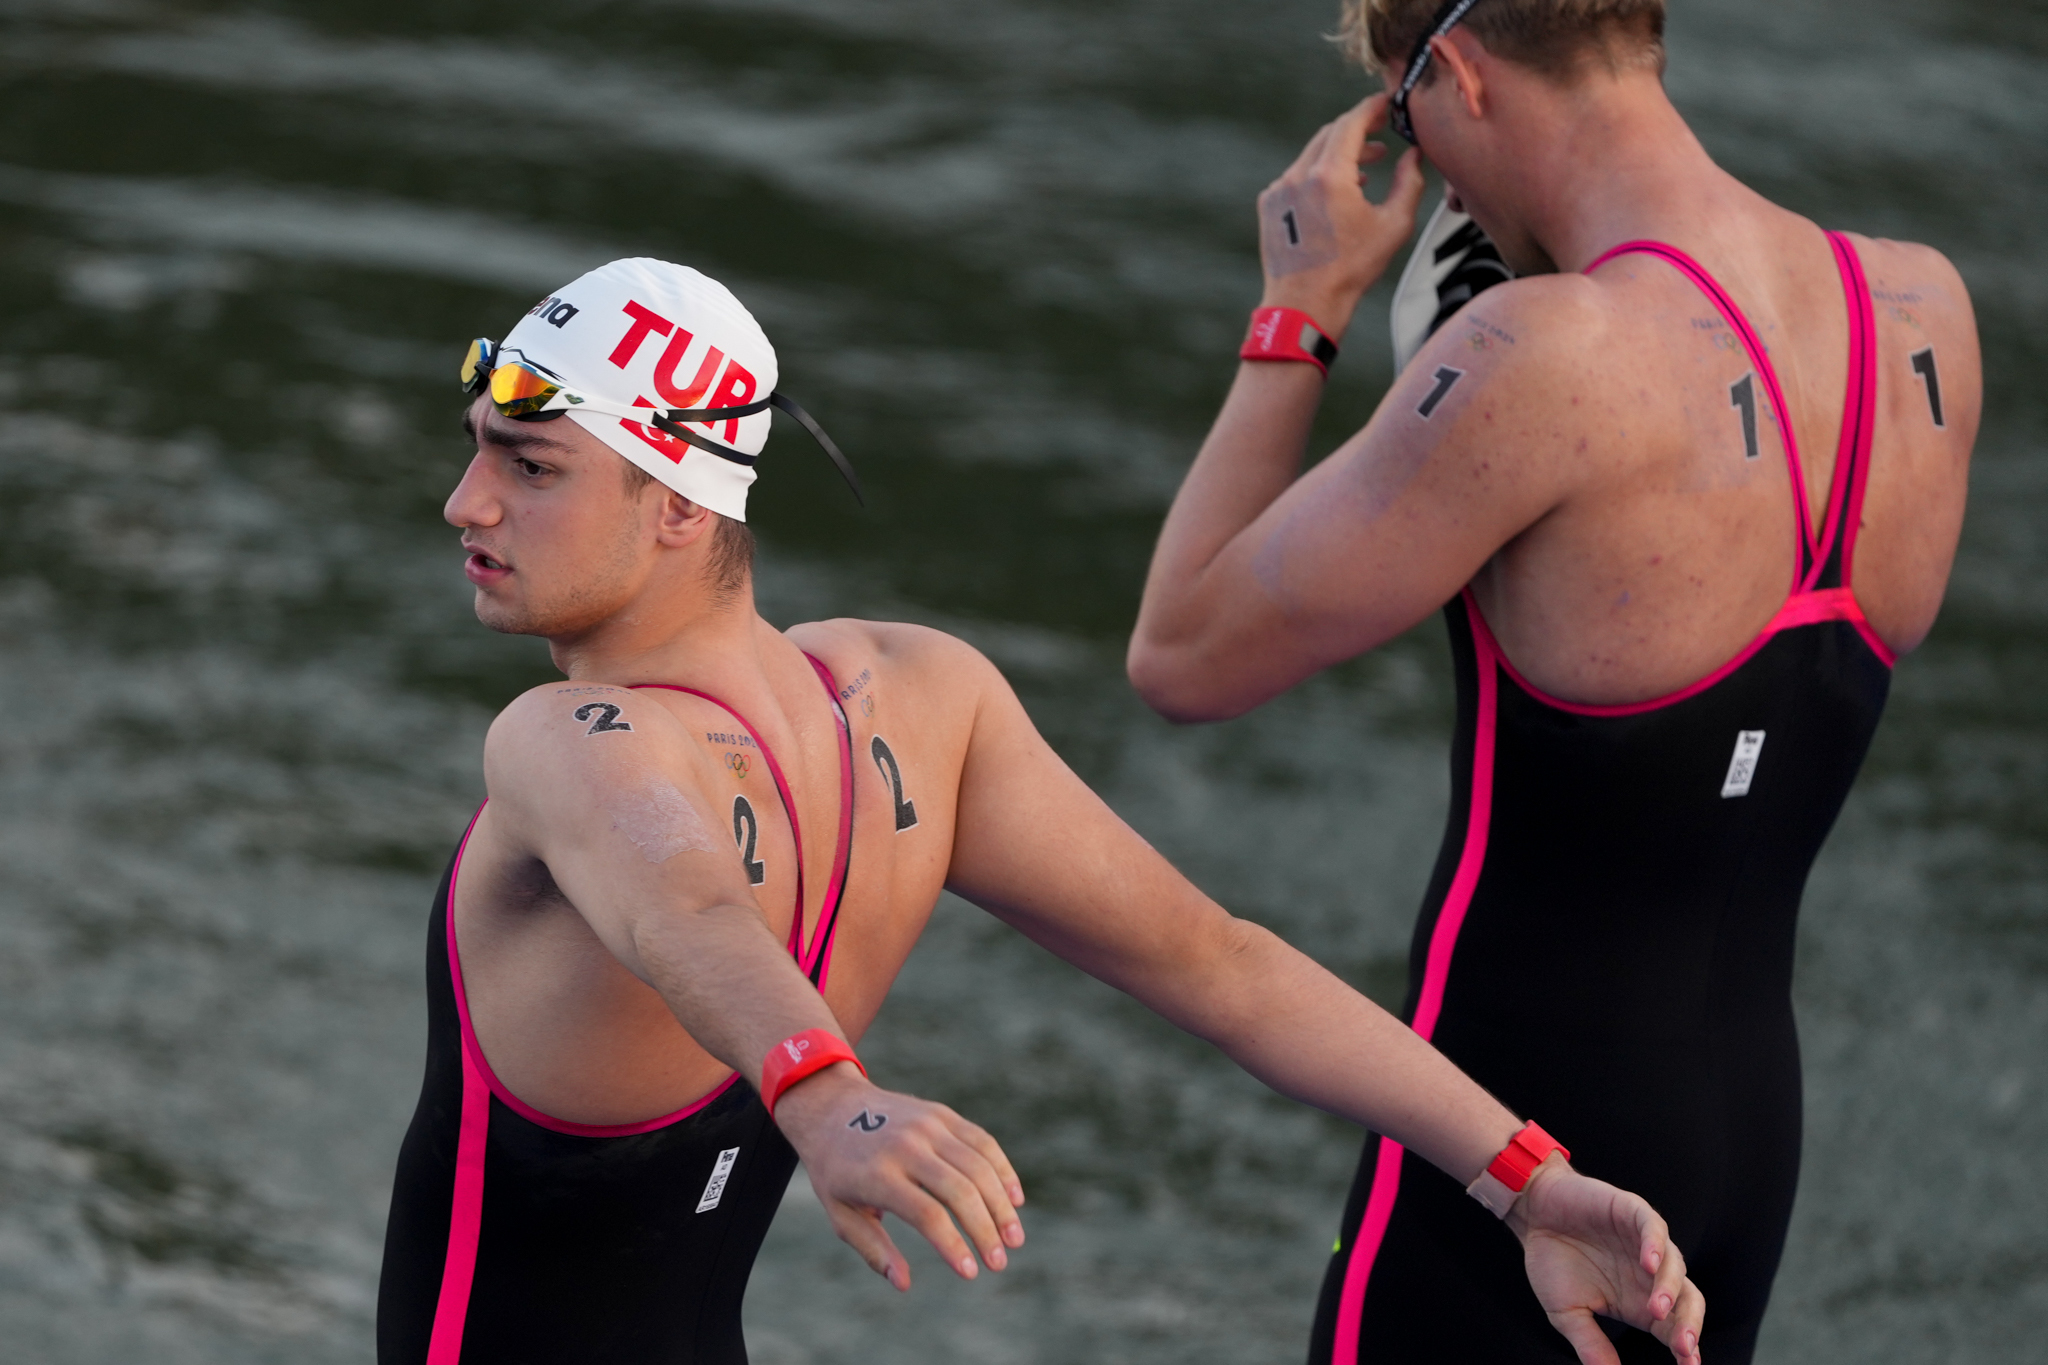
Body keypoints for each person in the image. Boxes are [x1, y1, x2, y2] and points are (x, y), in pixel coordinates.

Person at [375, 257, 1707, 1365]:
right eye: (478, 451)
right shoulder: (922, 695)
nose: (464, 501)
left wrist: (829, 1104)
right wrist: (1525, 1173)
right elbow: (1223, 964)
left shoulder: (561, 739)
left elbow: (688, 901)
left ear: (676, 504)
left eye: (531, 466)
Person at [1124, 1, 1979, 1362]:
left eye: (1412, 121)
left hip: (1519, 1178)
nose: (1438, 177)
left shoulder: (1541, 355)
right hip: (1741, 1163)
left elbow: (1180, 650)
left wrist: (1298, 310)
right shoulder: (1922, 308)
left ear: (1458, 71)